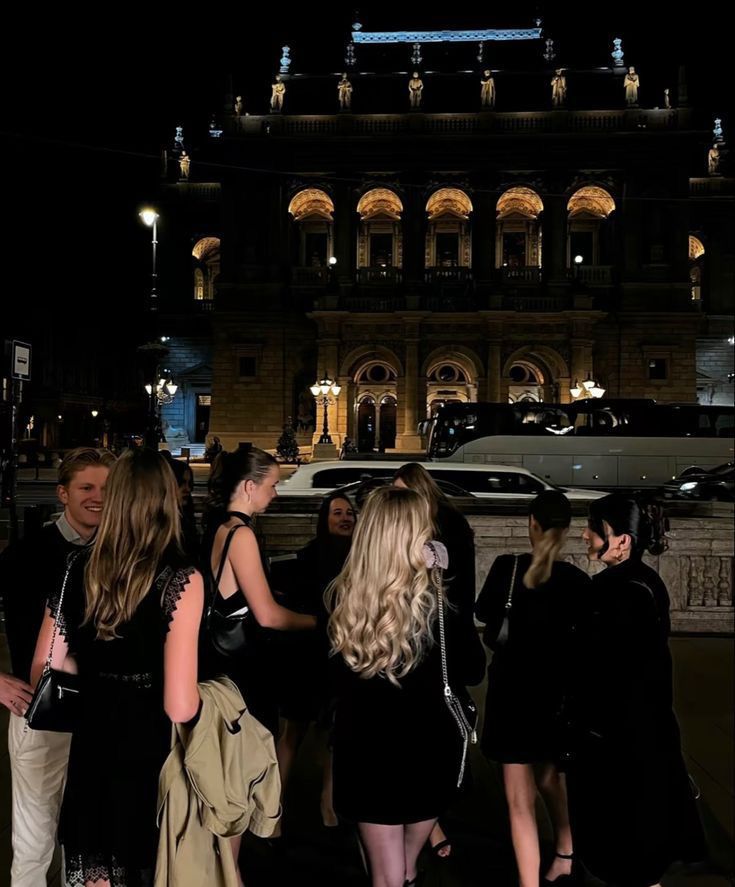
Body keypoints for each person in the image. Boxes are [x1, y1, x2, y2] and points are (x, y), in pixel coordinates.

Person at [30, 448, 203, 887]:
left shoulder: (78, 566)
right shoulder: (179, 580)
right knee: (148, 863)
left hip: (92, 743)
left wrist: (89, 665)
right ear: (166, 500)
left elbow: (46, 666)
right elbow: (180, 706)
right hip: (150, 751)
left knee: (96, 868)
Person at [328, 486, 485, 887]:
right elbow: (472, 668)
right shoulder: (439, 603)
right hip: (429, 753)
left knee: (385, 875)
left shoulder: (341, 602)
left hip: (366, 753)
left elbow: (330, 680)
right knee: (406, 867)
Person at [569, 494, 707, 887]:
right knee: (643, 851)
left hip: (616, 742)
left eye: (595, 529)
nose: (586, 535)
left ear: (622, 540)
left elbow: (599, 671)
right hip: (648, 734)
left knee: (621, 845)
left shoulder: (612, 592)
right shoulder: (648, 583)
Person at [0, 446, 115, 887]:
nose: (98, 497)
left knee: (88, 843)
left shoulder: (119, 554)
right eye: (87, 487)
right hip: (41, 711)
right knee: (34, 838)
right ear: (63, 493)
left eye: (107, 488)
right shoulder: (25, 555)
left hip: (106, 712)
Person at [475, 491, 590, 887]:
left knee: (518, 802)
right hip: (556, 698)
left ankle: (529, 883)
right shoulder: (578, 582)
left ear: (532, 525)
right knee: (550, 779)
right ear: (569, 531)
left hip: (511, 696)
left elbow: (485, 616)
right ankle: (565, 851)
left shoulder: (507, 569)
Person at [393, 462, 485, 858]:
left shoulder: (438, 535)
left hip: (432, 639)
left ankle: (425, 821)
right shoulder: (450, 524)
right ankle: (428, 824)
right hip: (441, 638)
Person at [201, 445, 316, 735]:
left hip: (220, 664)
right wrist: (319, 622)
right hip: (243, 669)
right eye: (273, 485)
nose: (275, 493)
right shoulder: (241, 535)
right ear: (250, 486)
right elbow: (267, 616)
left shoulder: (220, 526)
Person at [273, 491, 357, 827]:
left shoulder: (361, 557)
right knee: (294, 732)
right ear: (325, 519)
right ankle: (273, 807)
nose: (345, 518)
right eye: (337, 512)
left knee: (334, 735)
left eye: (350, 512)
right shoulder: (309, 556)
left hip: (343, 658)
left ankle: (329, 803)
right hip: (308, 657)